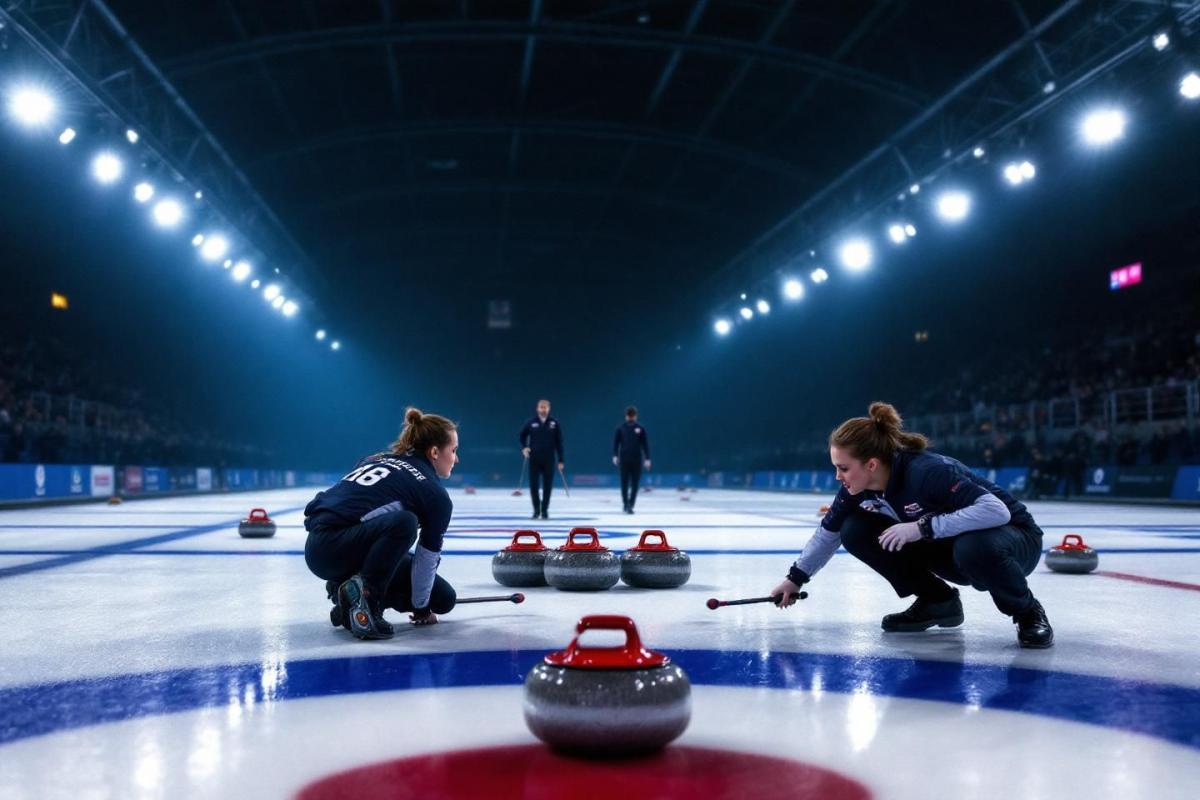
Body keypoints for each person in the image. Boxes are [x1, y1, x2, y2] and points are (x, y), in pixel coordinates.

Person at [771, 402, 1053, 649]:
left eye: (843, 468)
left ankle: (1027, 612)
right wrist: (795, 578)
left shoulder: (927, 472)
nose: (836, 476)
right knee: (854, 529)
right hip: (956, 545)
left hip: (1014, 541)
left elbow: (996, 511)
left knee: (973, 547)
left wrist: (922, 527)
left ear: (870, 464)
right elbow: (827, 535)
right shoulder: (857, 489)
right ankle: (938, 602)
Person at [303, 407, 459, 640]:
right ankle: (368, 600)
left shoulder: (376, 458)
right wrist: (421, 608)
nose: (456, 458)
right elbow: (426, 558)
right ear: (435, 452)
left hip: (318, 545)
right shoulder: (435, 494)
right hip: (333, 550)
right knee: (404, 522)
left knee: (444, 597)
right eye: (454, 450)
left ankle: (346, 595)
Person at [519, 398, 564, 519]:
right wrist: (524, 448)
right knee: (534, 485)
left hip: (549, 459)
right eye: (541, 407)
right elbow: (522, 436)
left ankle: (544, 510)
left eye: (545, 407)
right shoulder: (531, 422)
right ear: (537, 408)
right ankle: (536, 510)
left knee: (547, 485)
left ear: (549, 409)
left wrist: (561, 460)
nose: (543, 409)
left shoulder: (554, 423)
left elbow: (559, 442)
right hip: (534, 458)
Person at [612, 406, 651, 513]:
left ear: (635, 416)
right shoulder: (620, 428)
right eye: (629, 416)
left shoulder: (640, 428)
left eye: (632, 416)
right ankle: (625, 504)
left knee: (635, 483)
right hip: (624, 460)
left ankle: (631, 504)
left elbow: (645, 444)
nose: (631, 418)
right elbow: (616, 443)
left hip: (637, 460)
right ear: (626, 416)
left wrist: (647, 458)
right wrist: (615, 456)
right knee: (624, 482)